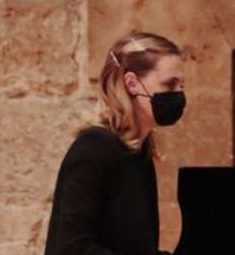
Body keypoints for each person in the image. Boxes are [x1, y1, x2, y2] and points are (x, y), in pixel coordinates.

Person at [45, 32, 187, 255]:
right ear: (132, 83)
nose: (179, 94)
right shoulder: (94, 148)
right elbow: (71, 248)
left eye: (181, 85)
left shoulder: (139, 150)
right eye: (170, 85)